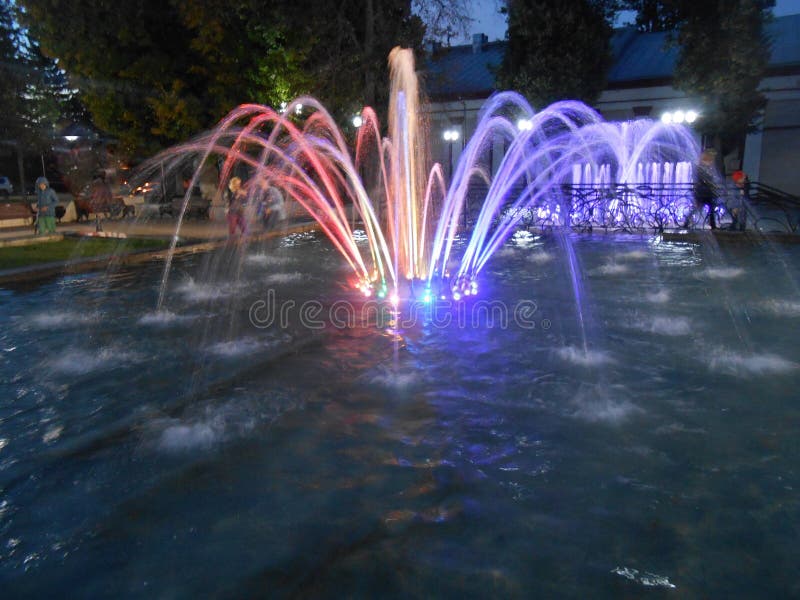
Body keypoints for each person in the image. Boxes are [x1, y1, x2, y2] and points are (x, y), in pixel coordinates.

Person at [686, 149, 720, 229]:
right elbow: (703, 179)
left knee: (705, 207)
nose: (712, 162)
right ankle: (687, 222)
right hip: (703, 192)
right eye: (710, 160)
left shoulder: (704, 168)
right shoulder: (701, 168)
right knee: (700, 207)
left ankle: (712, 224)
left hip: (705, 192)